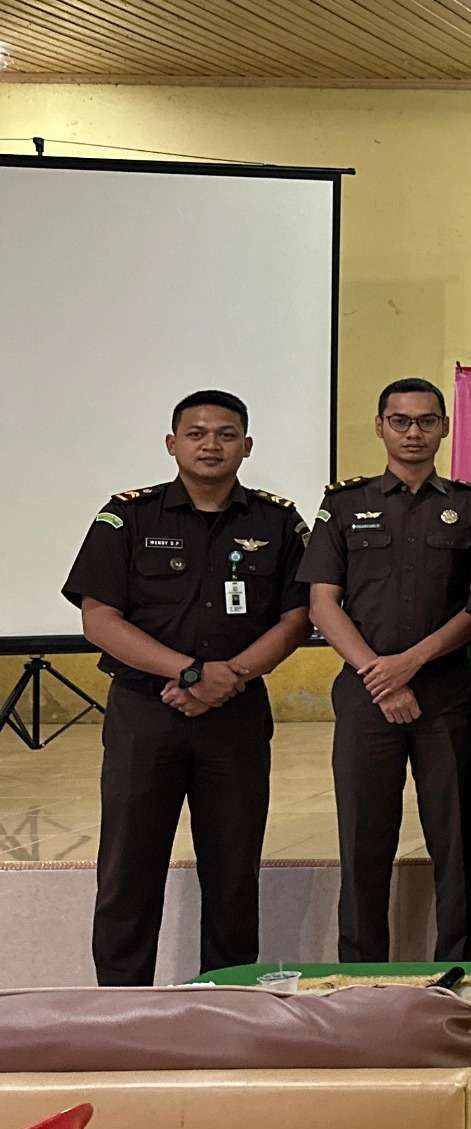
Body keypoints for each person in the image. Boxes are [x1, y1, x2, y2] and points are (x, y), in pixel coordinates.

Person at [65, 391, 310, 985]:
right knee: (128, 870)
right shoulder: (128, 516)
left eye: (226, 434)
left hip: (236, 717)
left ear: (246, 446)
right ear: (172, 444)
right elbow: (99, 619)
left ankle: (226, 1002)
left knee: (233, 872)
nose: (211, 445)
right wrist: (192, 673)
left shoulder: (276, 521)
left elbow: (298, 618)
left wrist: (229, 679)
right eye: (196, 433)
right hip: (145, 715)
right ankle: (122, 1007)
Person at [300, 377, 471, 963]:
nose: (414, 432)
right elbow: (322, 603)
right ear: (380, 426)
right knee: (364, 842)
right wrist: (379, 676)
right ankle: (361, 976)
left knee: (455, 843)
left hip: (444, 693)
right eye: (401, 421)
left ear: (445, 428)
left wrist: (410, 663)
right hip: (366, 696)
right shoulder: (343, 504)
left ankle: (458, 969)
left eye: (426, 421)